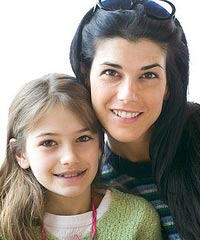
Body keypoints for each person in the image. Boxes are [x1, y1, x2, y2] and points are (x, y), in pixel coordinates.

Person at [69, 0, 200, 239]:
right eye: (111, 73)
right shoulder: (79, 180)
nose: (128, 95)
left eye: (148, 75)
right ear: (87, 74)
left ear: (169, 85)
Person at [0, 73, 162, 240]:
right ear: (20, 154)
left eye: (83, 138)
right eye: (48, 143)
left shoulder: (138, 219)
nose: (69, 158)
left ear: (100, 144)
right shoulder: (5, 225)